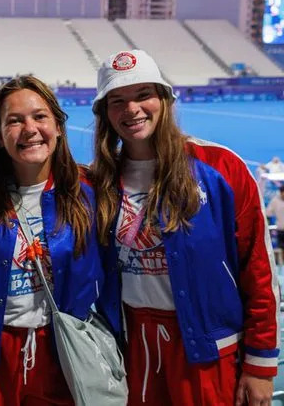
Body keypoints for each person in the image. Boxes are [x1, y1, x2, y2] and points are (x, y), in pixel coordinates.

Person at [91, 50, 279, 405]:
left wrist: (260, 365)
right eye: (118, 100)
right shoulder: (99, 180)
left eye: (143, 94)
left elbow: (257, 268)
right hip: (132, 347)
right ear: (105, 113)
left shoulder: (221, 167)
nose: (131, 109)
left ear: (165, 99)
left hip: (209, 351)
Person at [0, 76, 105, 405]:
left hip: (63, 354)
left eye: (39, 116)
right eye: (14, 120)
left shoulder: (89, 192)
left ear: (58, 126)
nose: (29, 128)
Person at [267, 186, 284, 253]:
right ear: (280, 192)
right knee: (282, 248)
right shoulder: (275, 201)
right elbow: (268, 213)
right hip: (281, 229)